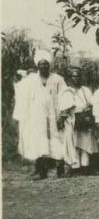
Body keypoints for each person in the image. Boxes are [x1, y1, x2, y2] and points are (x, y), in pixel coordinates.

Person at [17, 50, 65, 179]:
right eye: (41, 64)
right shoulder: (31, 79)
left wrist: (62, 114)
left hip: (54, 116)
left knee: (56, 141)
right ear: (37, 65)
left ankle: (59, 169)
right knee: (39, 142)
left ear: (49, 65)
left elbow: (63, 96)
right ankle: (42, 171)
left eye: (46, 64)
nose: (44, 66)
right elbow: (21, 91)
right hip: (37, 117)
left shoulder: (57, 79)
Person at [12, 69, 28, 158]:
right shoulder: (19, 85)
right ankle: (22, 151)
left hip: (25, 112)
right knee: (22, 131)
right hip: (22, 112)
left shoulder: (23, 84)